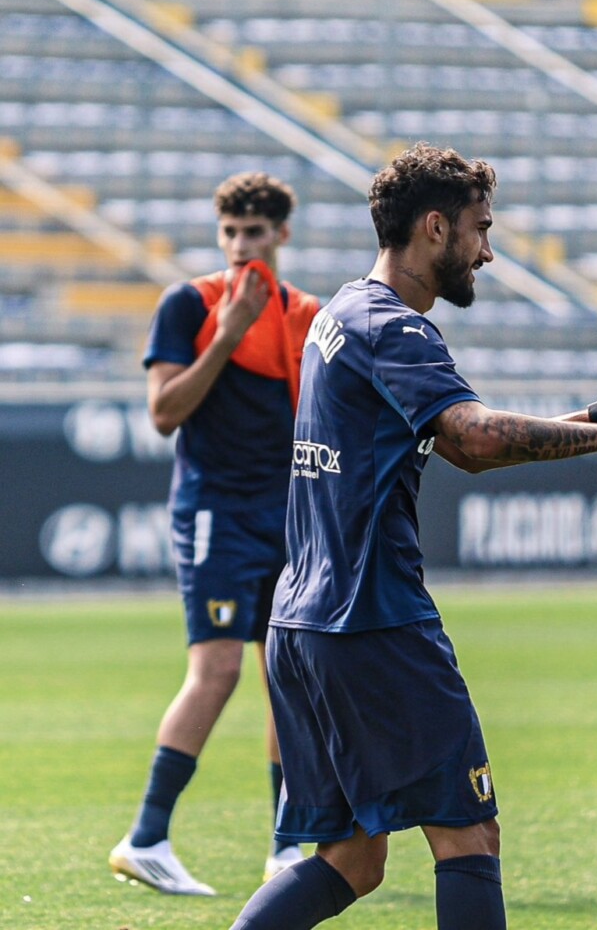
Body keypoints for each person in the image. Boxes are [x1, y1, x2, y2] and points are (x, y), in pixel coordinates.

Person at [226, 142, 597, 930]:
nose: (488, 250)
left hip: (305, 623)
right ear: (434, 227)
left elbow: (460, 441)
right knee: (468, 833)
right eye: (480, 229)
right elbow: (480, 437)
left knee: (352, 858)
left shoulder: (341, 313)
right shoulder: (396, 328)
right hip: (374, 619)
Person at [109, 172, 321, 895]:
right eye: (229, 231)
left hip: (287, 518)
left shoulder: (306, 315)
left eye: (254, 232)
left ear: (281, 235)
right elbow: (165, 411)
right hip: (215, 514)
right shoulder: (191, 304)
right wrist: (227, 335)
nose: (239, 246)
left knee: (287, 678)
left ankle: (287, 846)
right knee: (218, 668)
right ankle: (146, 836)